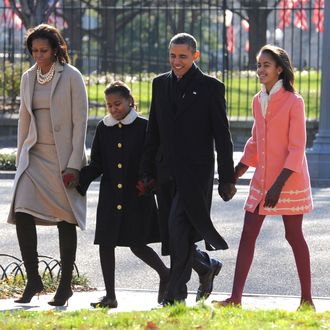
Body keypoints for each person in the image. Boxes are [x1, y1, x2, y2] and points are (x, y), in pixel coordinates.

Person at [213, 45, 314, 310]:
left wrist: (278, 186)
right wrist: (235, 175)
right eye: (258, 65)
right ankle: (235, 299)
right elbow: (256, 143)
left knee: (294, 236)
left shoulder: (295, 102)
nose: (260, 70)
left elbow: (297, 148)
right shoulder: (258, 100)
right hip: (262, 180)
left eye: (266, 65)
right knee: (248, 234)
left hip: (288, 181)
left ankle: (307, 300)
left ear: (279, 69)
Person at [141, 33, 236, 305]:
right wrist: (146, 171)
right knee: (174, 234)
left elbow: (222, 136)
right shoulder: (159, 84)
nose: (176, 61)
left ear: (195, 56)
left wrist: (227, 178)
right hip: (165, 172)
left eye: (182, 56)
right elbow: (153, 132)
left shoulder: (211, 88)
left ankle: (174, 295)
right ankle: (206, 267)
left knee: (178, 228)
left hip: (195, 175)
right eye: (172, 55)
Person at [7, 24, 88, 307]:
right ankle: (33, 279)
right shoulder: (29, 77)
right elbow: (24, 119)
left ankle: (65, 285)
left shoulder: (72, 76)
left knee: (65, 219)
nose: (38, 56)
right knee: (21, 212)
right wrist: (20, 160)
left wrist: (74, 165)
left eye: (43, 51)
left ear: (55, 49)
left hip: (63, 159)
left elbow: (81, 123)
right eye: (34, 51)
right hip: (34, 156)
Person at [77, 81, 169, 309]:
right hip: (110, 197)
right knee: (106, 244)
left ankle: (165, 274)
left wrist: (150, 183)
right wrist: (80, 179)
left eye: (118, 103)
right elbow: (97, 162)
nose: (114, 109)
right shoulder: (103, 128)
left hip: (136, 196)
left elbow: (153, 159)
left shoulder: (145, 126)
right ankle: (110, 296)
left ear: (130, 101)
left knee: (137, 244)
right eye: (109, 105)